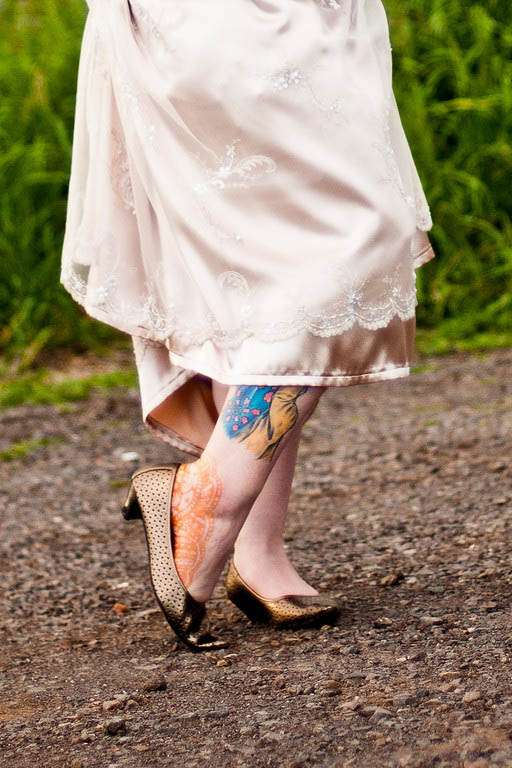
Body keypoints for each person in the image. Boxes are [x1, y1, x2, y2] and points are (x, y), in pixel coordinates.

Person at [60, 0, 435, 651]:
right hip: (239, 23)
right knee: (354, 246)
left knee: (259, 270)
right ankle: (207, 499)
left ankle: (256, 549)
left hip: (277, 23)